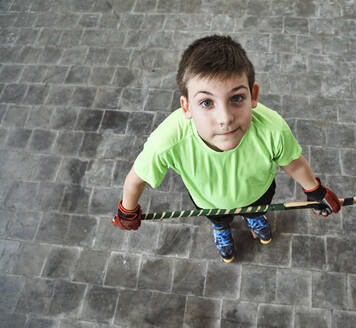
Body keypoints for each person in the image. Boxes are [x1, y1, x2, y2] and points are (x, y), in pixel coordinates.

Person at [112, 35, 341, 263]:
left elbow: (293, 163)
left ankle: (255, 217)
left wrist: (314, 190)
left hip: (259, 193)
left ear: (253, 96)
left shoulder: (273, 130)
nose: (225, 119)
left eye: (237, 98)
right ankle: (222, 229)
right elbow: (136, 179)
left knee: (257, 209)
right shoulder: (167, 141)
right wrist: (127, 209)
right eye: (206, 102)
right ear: (186, 106)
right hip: (209, 204)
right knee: (219, 219)